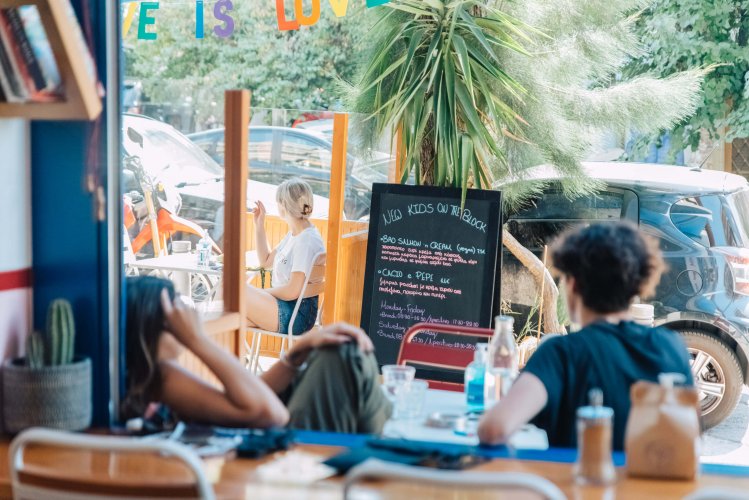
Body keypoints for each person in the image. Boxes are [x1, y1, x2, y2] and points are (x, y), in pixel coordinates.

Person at [478, 222, 693, 450]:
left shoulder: (560, 354)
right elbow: (691, 434)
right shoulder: (671, 347)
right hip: (648, 485)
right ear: (636, 287)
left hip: (580, 482)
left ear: (573, 286)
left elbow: (494, 429)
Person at [122, 275, 391, 432]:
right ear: (151, 328)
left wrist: (296, 352)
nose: (185, 313)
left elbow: (244, 399)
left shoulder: (151, 379)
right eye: (174, 311)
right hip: (271, 467)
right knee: (345, 356)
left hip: (252, 455)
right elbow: (270, 414)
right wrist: (197, 339)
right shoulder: (160, 379)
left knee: (340, 353)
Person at [246, 178, 326, 334]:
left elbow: (292, 291)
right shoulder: (295, 234)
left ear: (283, 205)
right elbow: (266, 261)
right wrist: (259, 225)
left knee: (233, 290)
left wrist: (262, 293)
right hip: (286, 307)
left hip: (296, 315)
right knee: (231, 316)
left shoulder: (306, 241)